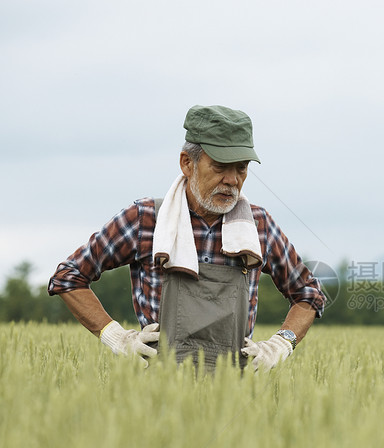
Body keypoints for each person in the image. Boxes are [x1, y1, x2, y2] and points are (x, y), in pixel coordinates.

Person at [48, 105, 325, 371]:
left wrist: (281, 344)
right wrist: (116, 337)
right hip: (155, 397)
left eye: (241, 168)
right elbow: (68, 277)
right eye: (220, 166)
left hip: (233, 394)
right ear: (187, 163)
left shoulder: (258, 226)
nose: (232, 180)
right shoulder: (145, 219)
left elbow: (308, 293)